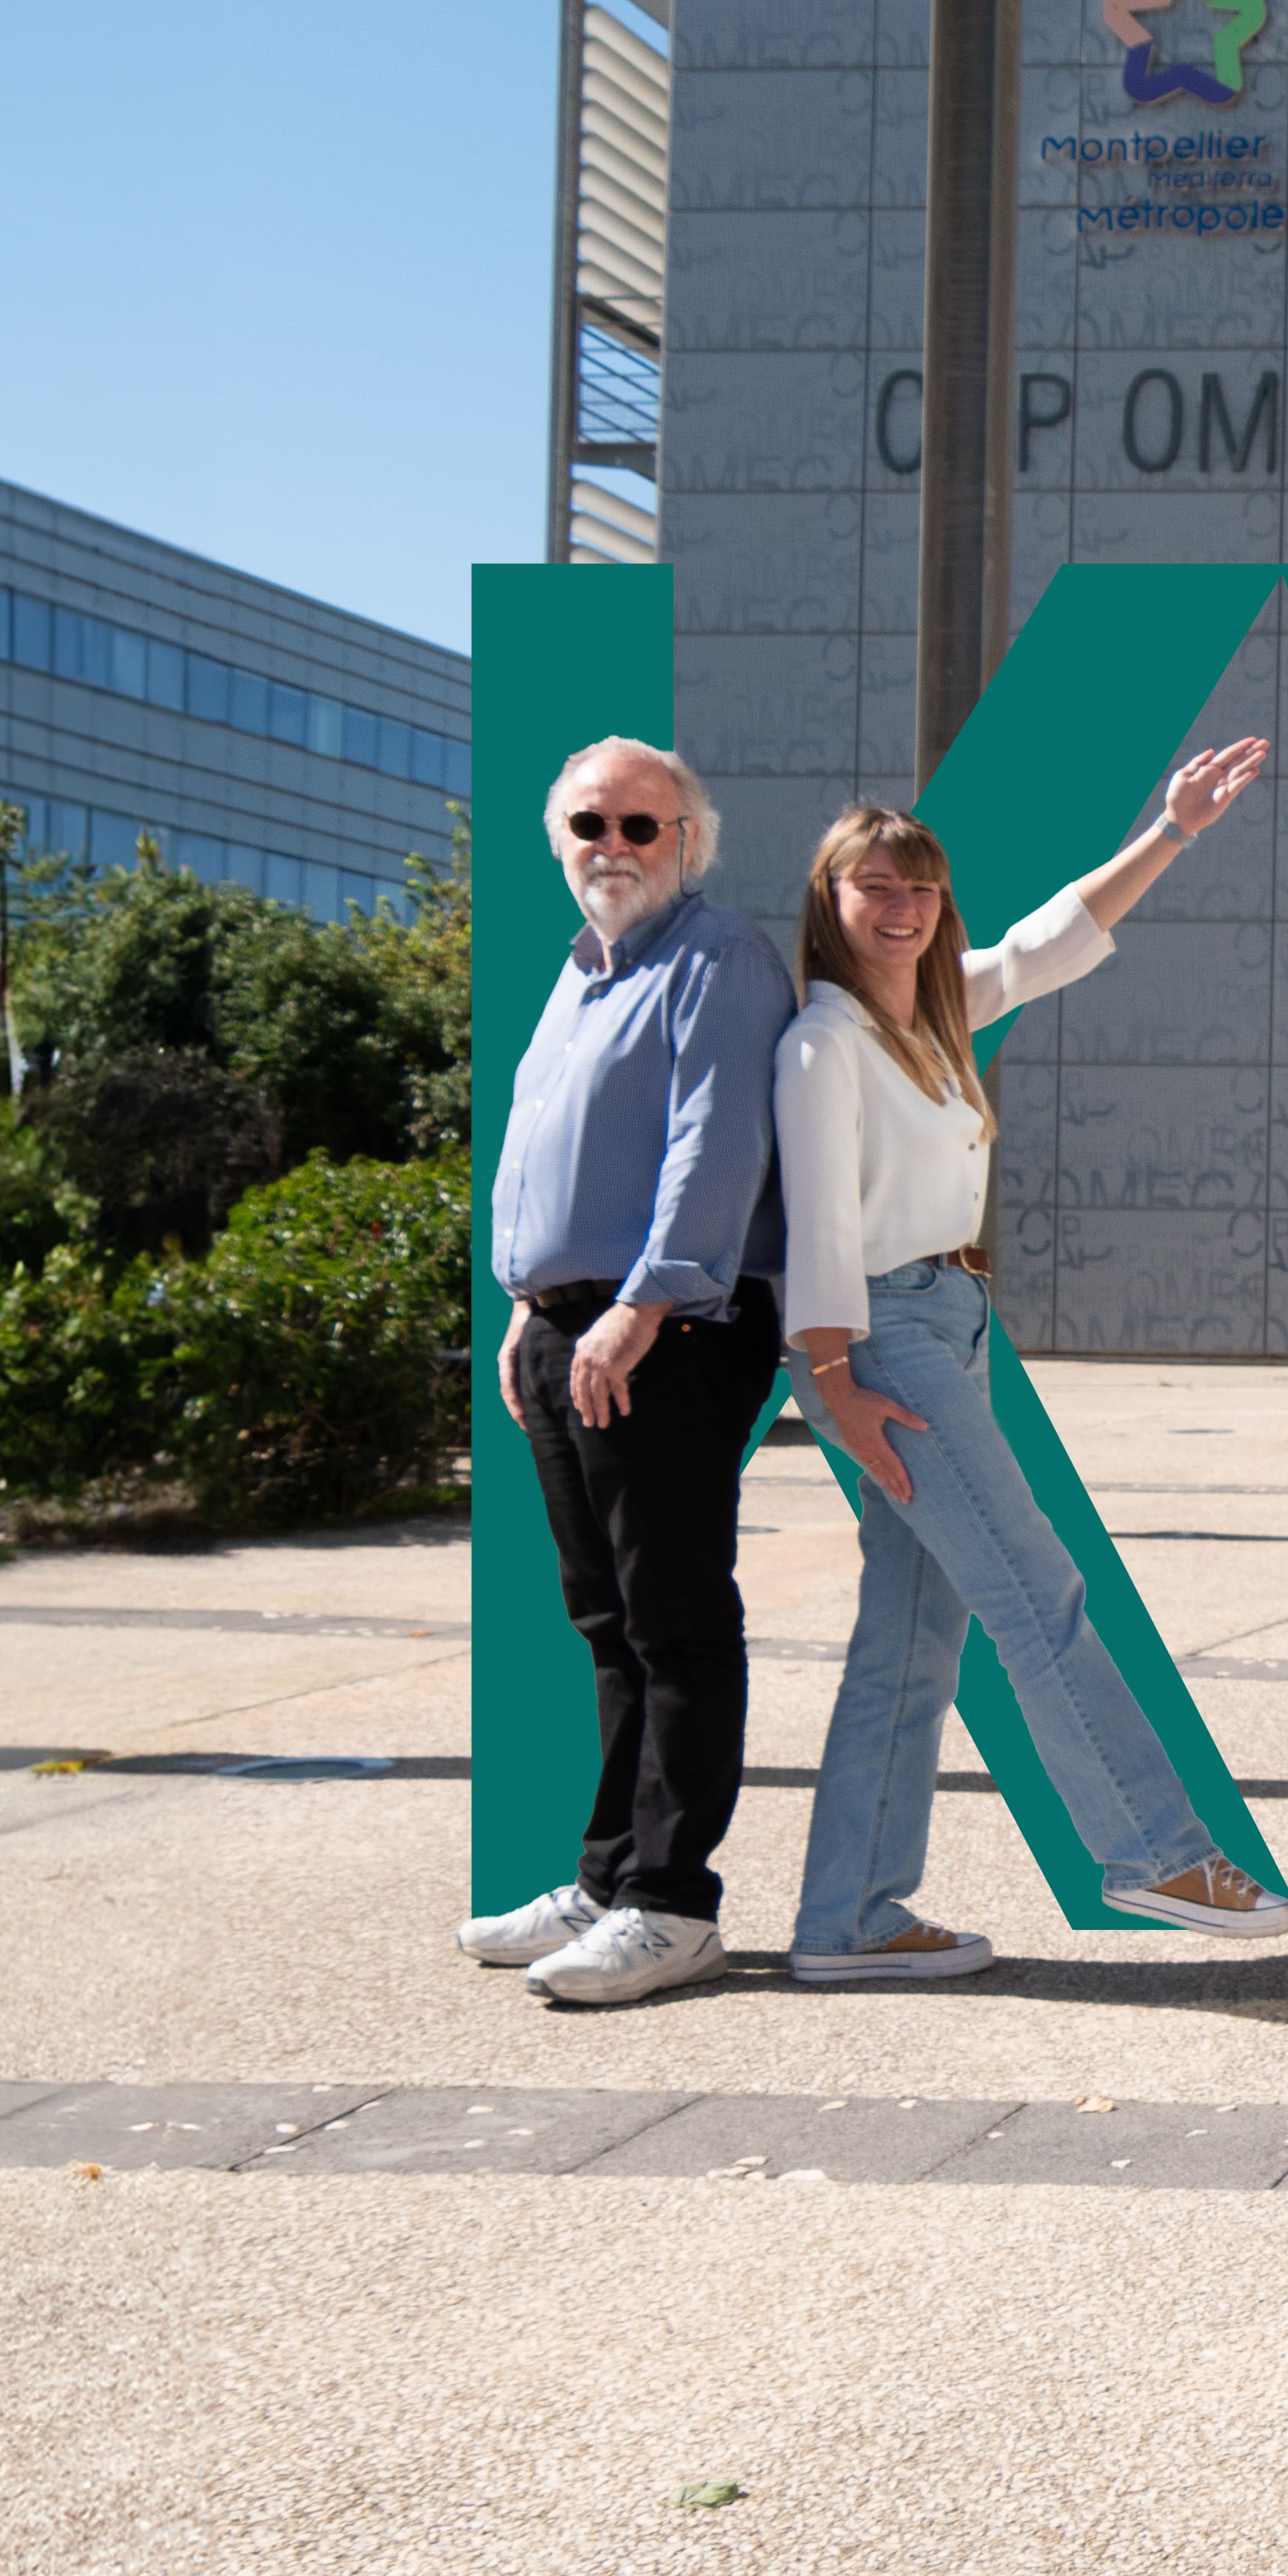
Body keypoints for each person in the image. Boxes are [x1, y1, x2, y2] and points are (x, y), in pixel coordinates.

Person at [769, 754, 1288, 1982]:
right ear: (829, 900)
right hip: (886, 1338)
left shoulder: (934, 1011)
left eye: (922, 888)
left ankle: (849, 1918)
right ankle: (1152, 1850)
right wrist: (836, 1381)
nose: (901, 906)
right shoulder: (823, 1043)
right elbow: (819, 1224)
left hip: (944, 1322)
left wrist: (1167, 829)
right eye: (874, 886)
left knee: (908, 1647)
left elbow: (1051, 944)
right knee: (1036, 1591)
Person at [464, 739, 797, 2006]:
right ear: (561, 840)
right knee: (606, 1623)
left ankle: (673, 1904)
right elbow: (541, 1156)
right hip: (568, 1330)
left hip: (667, 1332)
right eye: (591, 824)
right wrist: (525, 1306)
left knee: (675, 1621)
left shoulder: (716, 962)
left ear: (690, 843)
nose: (615, 845)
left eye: (643, 826)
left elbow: (716, 1150)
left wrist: (640, 1306)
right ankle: (608, 1877)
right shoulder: (579, 975)